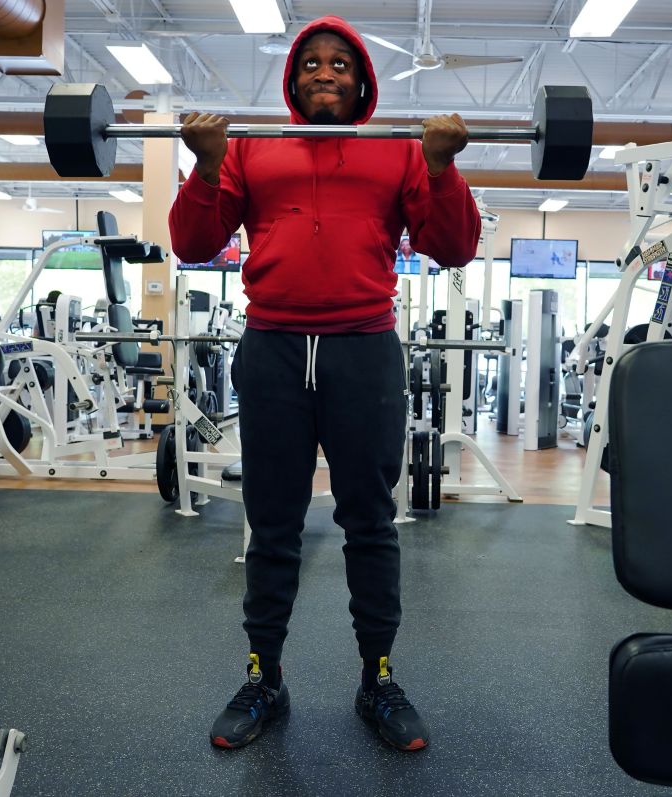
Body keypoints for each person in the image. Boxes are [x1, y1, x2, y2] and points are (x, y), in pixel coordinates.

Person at [169, 15, 480, 753]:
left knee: (369, 523)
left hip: (363, 350)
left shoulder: (398, 152)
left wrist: (441, 168)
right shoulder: (250, 148)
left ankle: (378, 679)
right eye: (311, 63)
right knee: (271, 523)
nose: (325, 73)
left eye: (340, 64)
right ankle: (263, 677)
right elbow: (192, 243)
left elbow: (454, 245)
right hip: (273, 348)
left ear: (363, 80)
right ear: (293, 78)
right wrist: (206, 166)